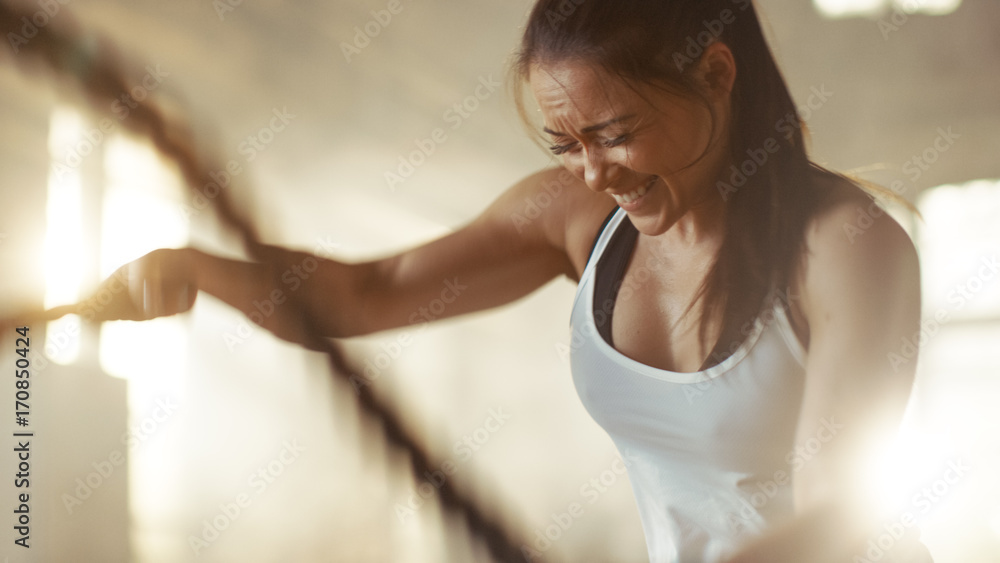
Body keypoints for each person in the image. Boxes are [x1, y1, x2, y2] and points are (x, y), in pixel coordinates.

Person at [61, 1, 931, 561]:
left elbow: (836, 514)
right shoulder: (577, 218)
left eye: (618, 133)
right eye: (567, 143)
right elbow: (366, 293)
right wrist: (195, 268)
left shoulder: (849, 247)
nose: (595, 173)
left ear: (715, 74)